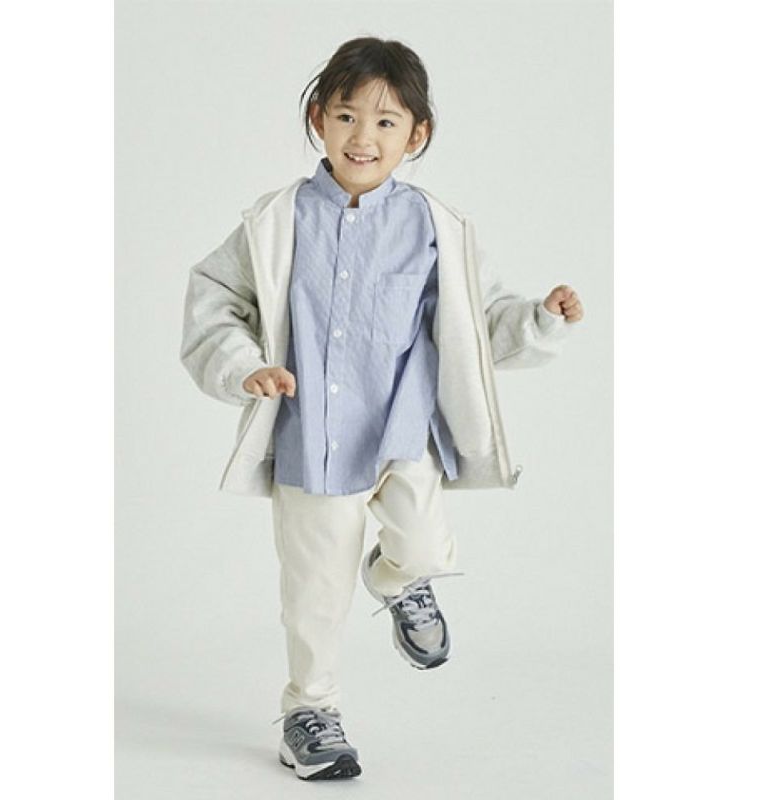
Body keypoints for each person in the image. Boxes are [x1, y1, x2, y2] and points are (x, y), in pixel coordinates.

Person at [180, 36, 584, 781]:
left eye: (386, 121)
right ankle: (311, 713)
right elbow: (214, 300)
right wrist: (247, 369)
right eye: (346, 116)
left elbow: (477, 319)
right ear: (318, 120)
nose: (363, 137)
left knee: (425, 547)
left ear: (416, 135)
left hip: (404, 431)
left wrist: (539, 320)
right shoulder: (277, 220)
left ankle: (398, 580)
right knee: (316, 593)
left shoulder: (435, 226)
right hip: (312, 440)